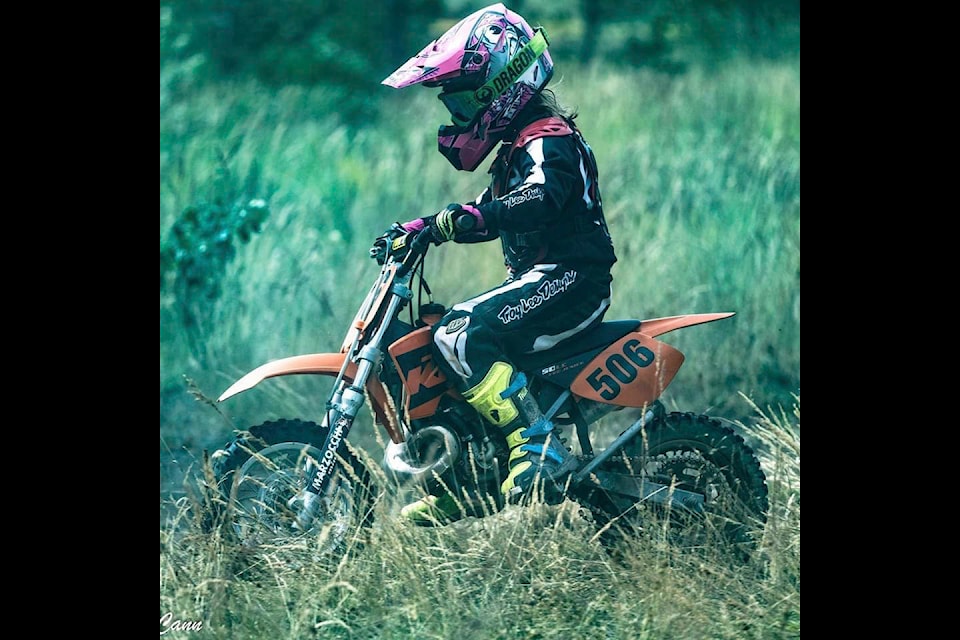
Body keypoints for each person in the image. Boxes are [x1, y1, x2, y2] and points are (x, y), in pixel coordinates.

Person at [373, 3, 617, 524]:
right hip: (546, 281)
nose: (457, 119)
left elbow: (541, 199)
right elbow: (489, 217)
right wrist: (424, 229)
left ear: (500, 91)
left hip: (574, 280)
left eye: (462, 106)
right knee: (439, 338)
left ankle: (537, 448)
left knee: (460, 333)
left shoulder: (550, 140)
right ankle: (470, 481)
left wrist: (455, 220)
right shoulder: (516, 148)